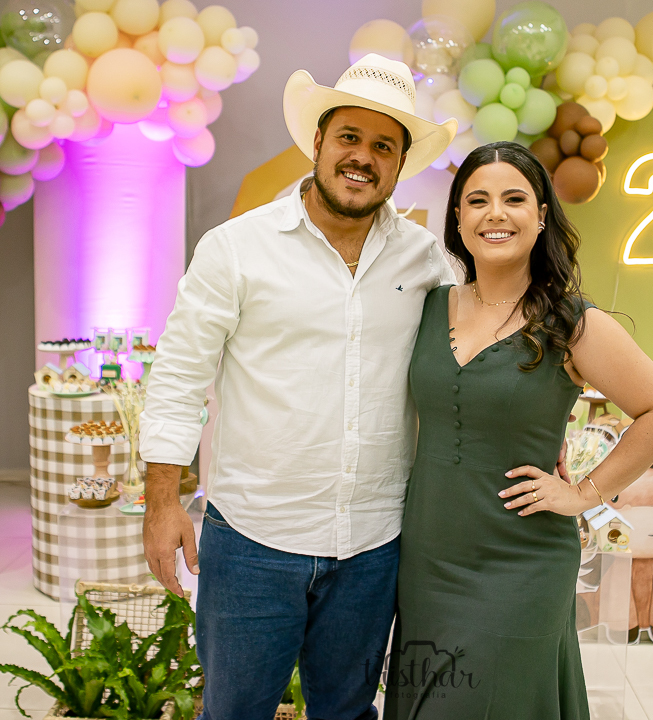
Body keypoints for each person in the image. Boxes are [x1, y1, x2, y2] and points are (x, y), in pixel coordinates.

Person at [138, 54, 457, 720]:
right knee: (233, 712)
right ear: (317, 141)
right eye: (349, 137)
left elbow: (467, 362)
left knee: (347, 713)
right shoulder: (235, 248)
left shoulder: (426, 259)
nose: (363, 157)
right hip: (251, 541)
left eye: (384, 146)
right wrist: (163, 503)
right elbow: (178, 376)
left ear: (400, 164)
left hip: (373, 544)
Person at [383, 141, 653, 719]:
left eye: (514, 198)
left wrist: (585, 494)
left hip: (520, 560)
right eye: (478, 200)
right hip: (428, 558)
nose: (494, 213)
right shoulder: (427, 306)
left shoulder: (572, 323)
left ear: (542, 214)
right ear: (457, 217)